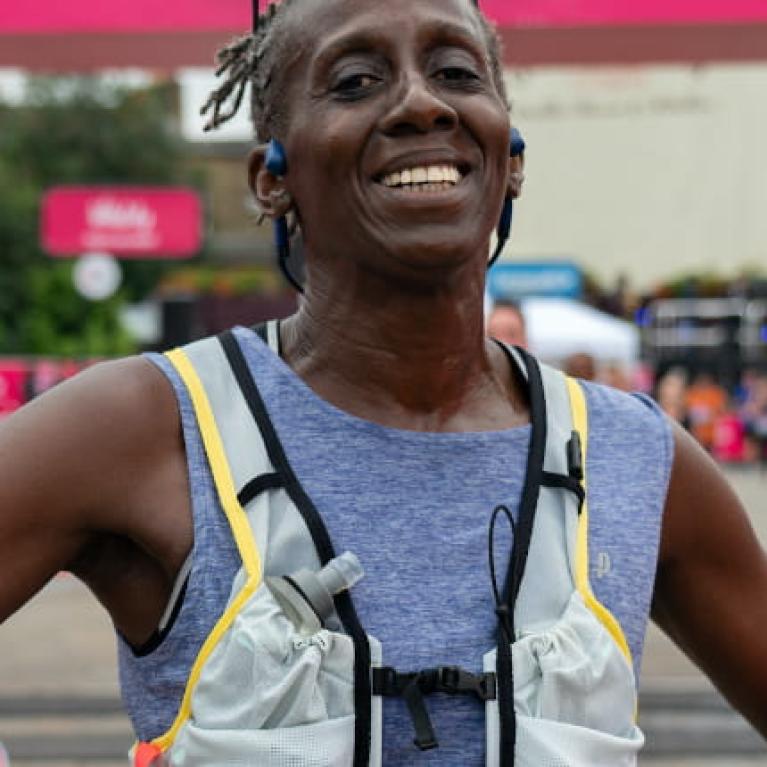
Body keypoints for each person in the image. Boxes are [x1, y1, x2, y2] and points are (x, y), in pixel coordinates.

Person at [1, 0, 766, 765]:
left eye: (456, 73)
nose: (421, 103)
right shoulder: (144, 427)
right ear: (272, 178)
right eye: (356, 80)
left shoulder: (632, 460)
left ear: (514, 158)